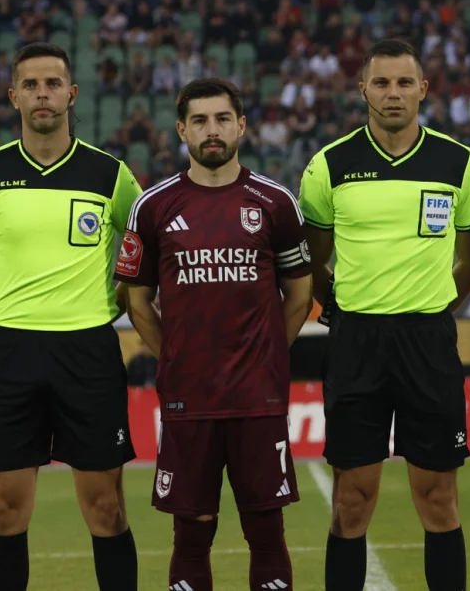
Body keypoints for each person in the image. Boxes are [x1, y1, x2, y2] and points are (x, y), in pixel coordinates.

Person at [0, 42, 143, 591]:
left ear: (72, 94)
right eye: (30, 85)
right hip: (11, 357)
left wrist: (117, 303)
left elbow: (140, 260)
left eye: (53, 84)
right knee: (6, 513)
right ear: (13, 97)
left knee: (106, 508)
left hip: (89, 353)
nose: (43, 94)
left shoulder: (113, 177)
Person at [298, 38, 470, 591]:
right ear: (362, 90)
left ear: (423, 89)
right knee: (352, 501)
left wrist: (427, 305)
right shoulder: (329, 165)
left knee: (438, 499)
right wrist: (346, 308)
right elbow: (313, 260)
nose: (393, 93)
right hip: (356, 342)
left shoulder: (458, 162)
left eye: (405, 82)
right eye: (381, 83)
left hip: (427, 341)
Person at [117, 77, 314, 591]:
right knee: (192, 533)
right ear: (181, 129)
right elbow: (135, 301)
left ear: (241, 126)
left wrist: (268, 352)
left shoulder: (275, 202)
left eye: (222, 119)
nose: (212, 130)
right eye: (200, 120)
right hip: (189, 398)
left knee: (266, 530)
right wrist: (173, 359)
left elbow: (299, 294)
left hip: (258, 397)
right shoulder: (153, 206)